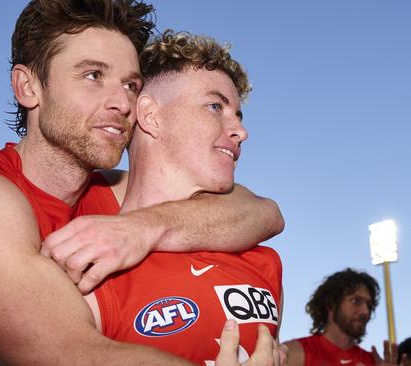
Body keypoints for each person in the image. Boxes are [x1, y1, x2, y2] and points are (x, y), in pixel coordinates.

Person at [0, 1, 284, 365]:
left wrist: (144, 227)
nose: (122, 102)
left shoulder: (104, 194)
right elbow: (70, 354)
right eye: (92, 76)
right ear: (28, 87)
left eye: (130, 84)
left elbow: (260, 211)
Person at [58, 30, 285, 365]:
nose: (241, 131)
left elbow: (270, 213)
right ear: (151, 116)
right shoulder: (83, 260)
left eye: (237, 115)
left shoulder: (265, 262)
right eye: (214, 106)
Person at [284, 268, 397, 366]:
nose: (365, 311)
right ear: (331, 304)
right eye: (356, 301)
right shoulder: (294, 353)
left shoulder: (374, 362)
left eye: (369, 305)